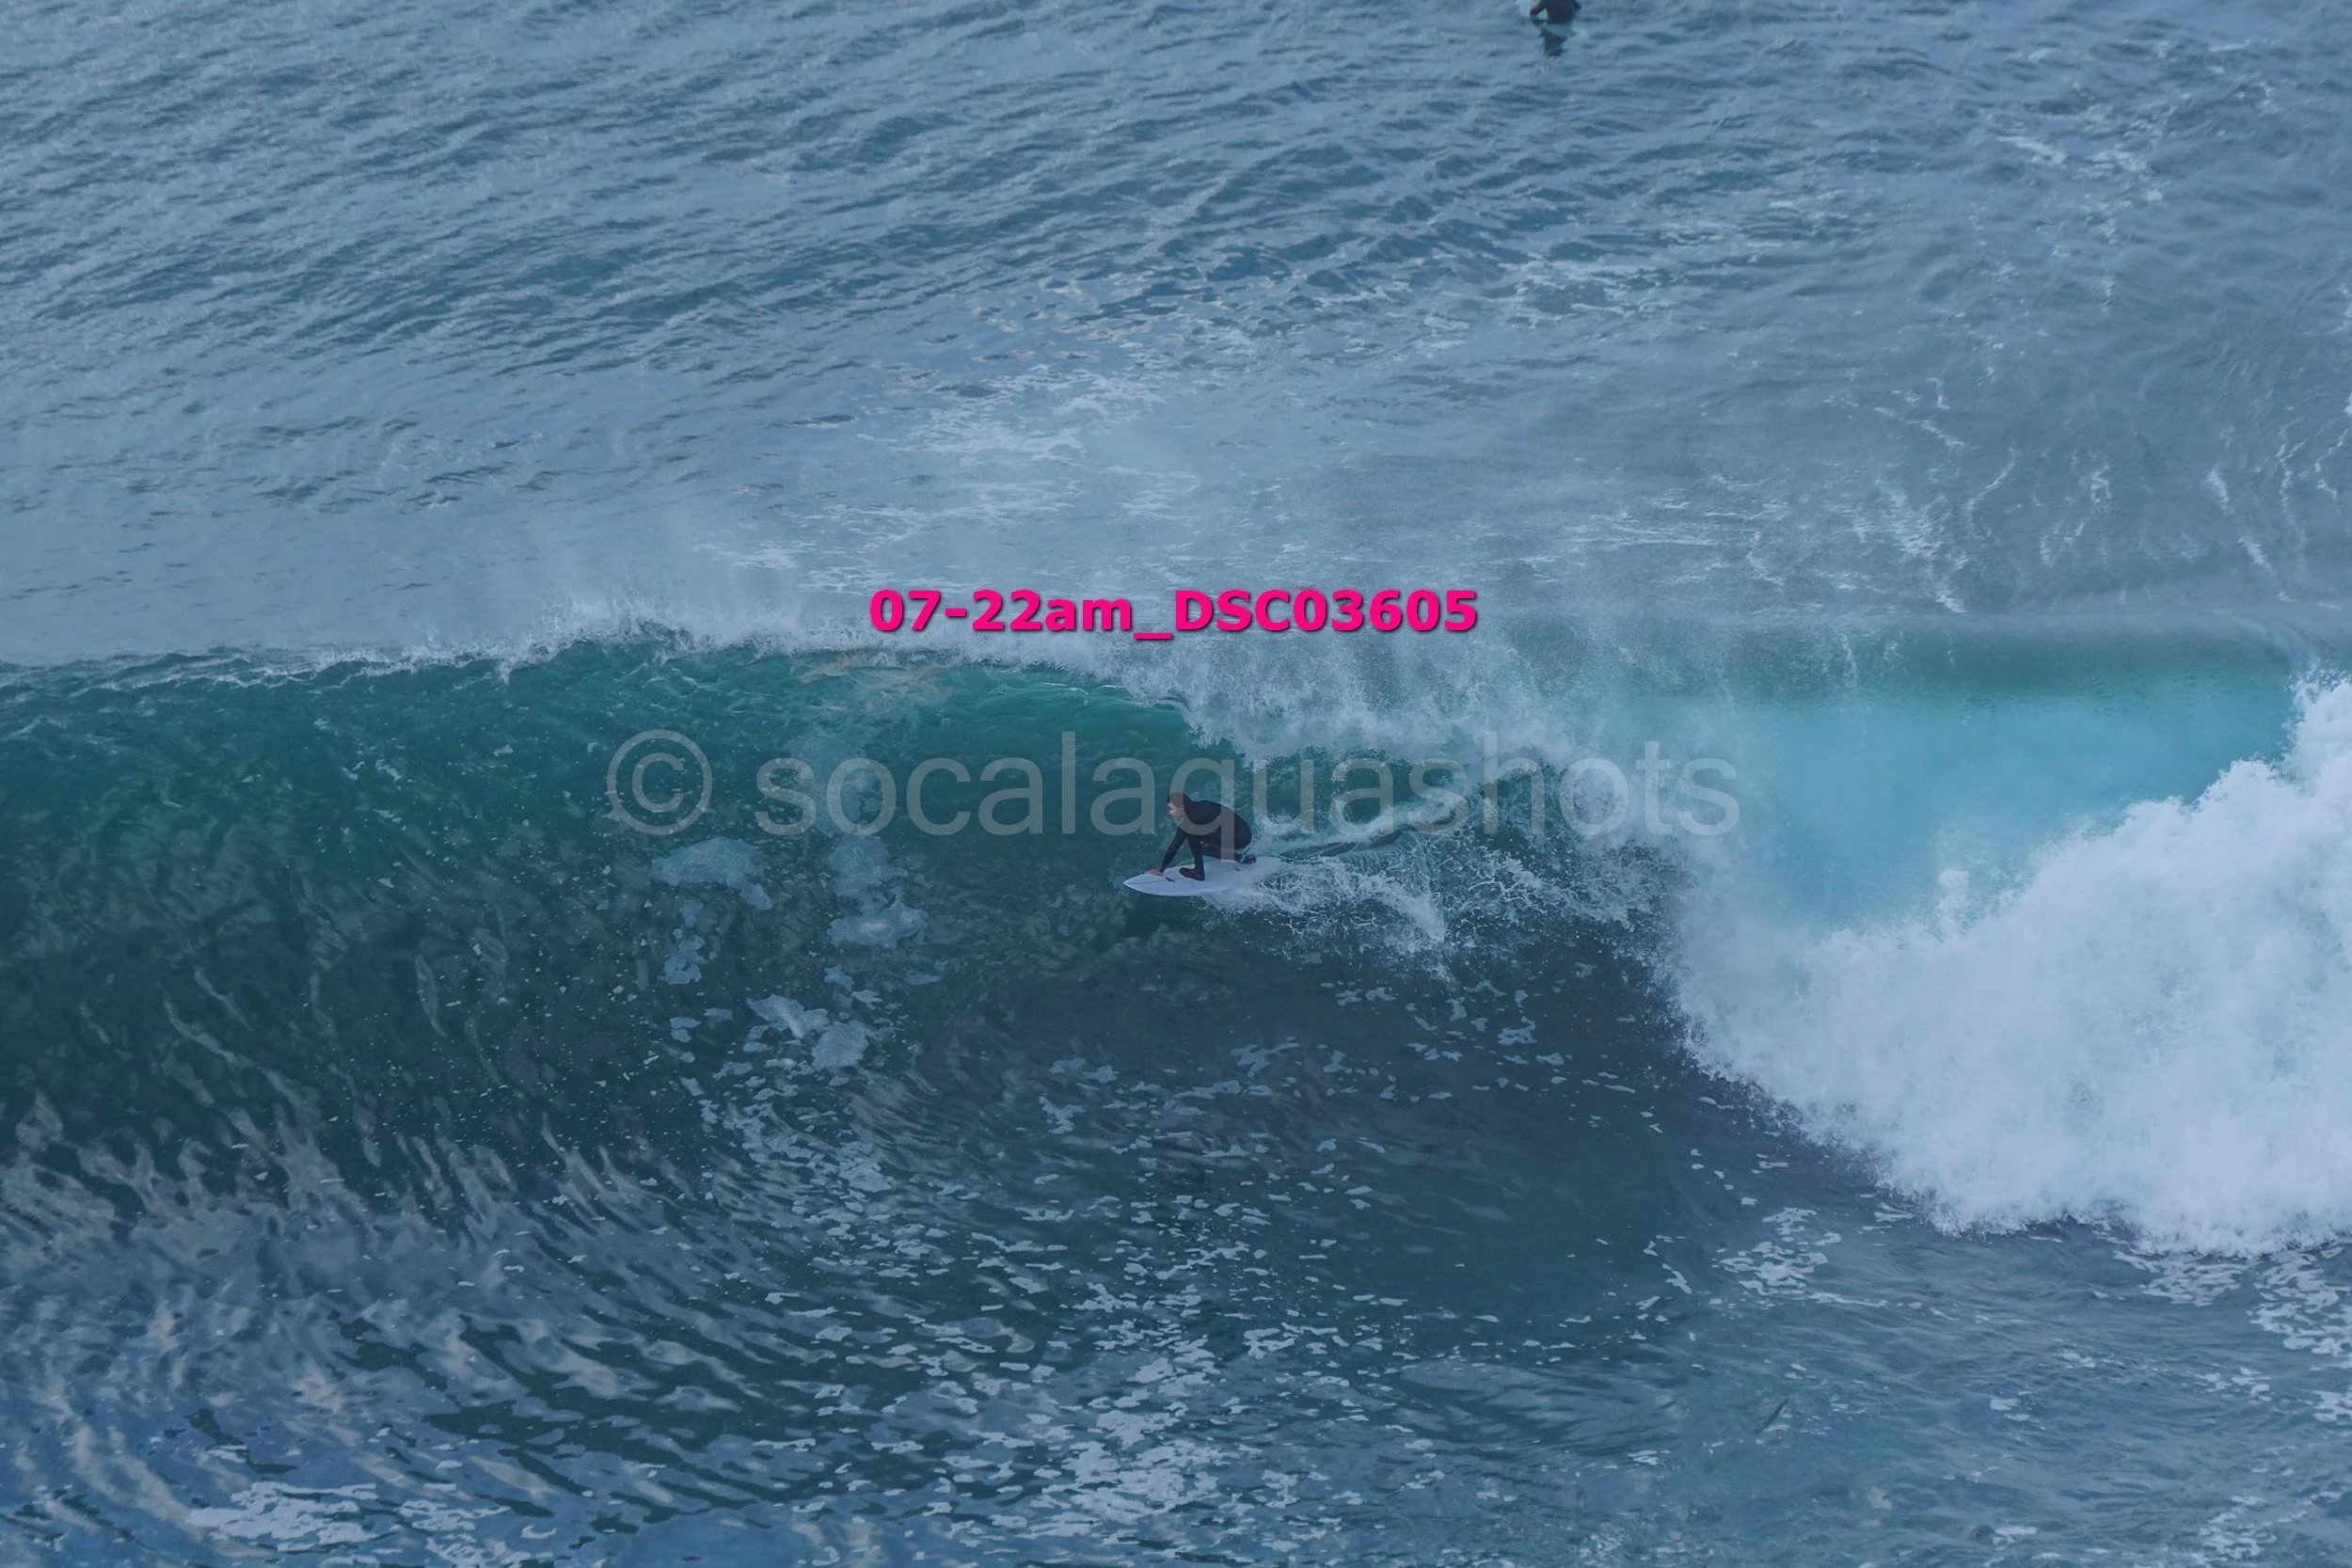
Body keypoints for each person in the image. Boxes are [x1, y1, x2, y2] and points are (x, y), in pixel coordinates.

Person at [1151, 793, 1254, 881]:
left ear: (1181, 808)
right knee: (1205, 848)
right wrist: (1162, 868)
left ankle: (1198, 872)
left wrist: (1161, 870)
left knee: (1192, 832)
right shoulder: (1199, 807)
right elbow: (1177, 842)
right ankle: (1240, 858)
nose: (1169, 813)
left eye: (1171, 809)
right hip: (1245, 836)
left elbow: (1175, 845)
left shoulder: (1190, 820)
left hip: (1237, 839)